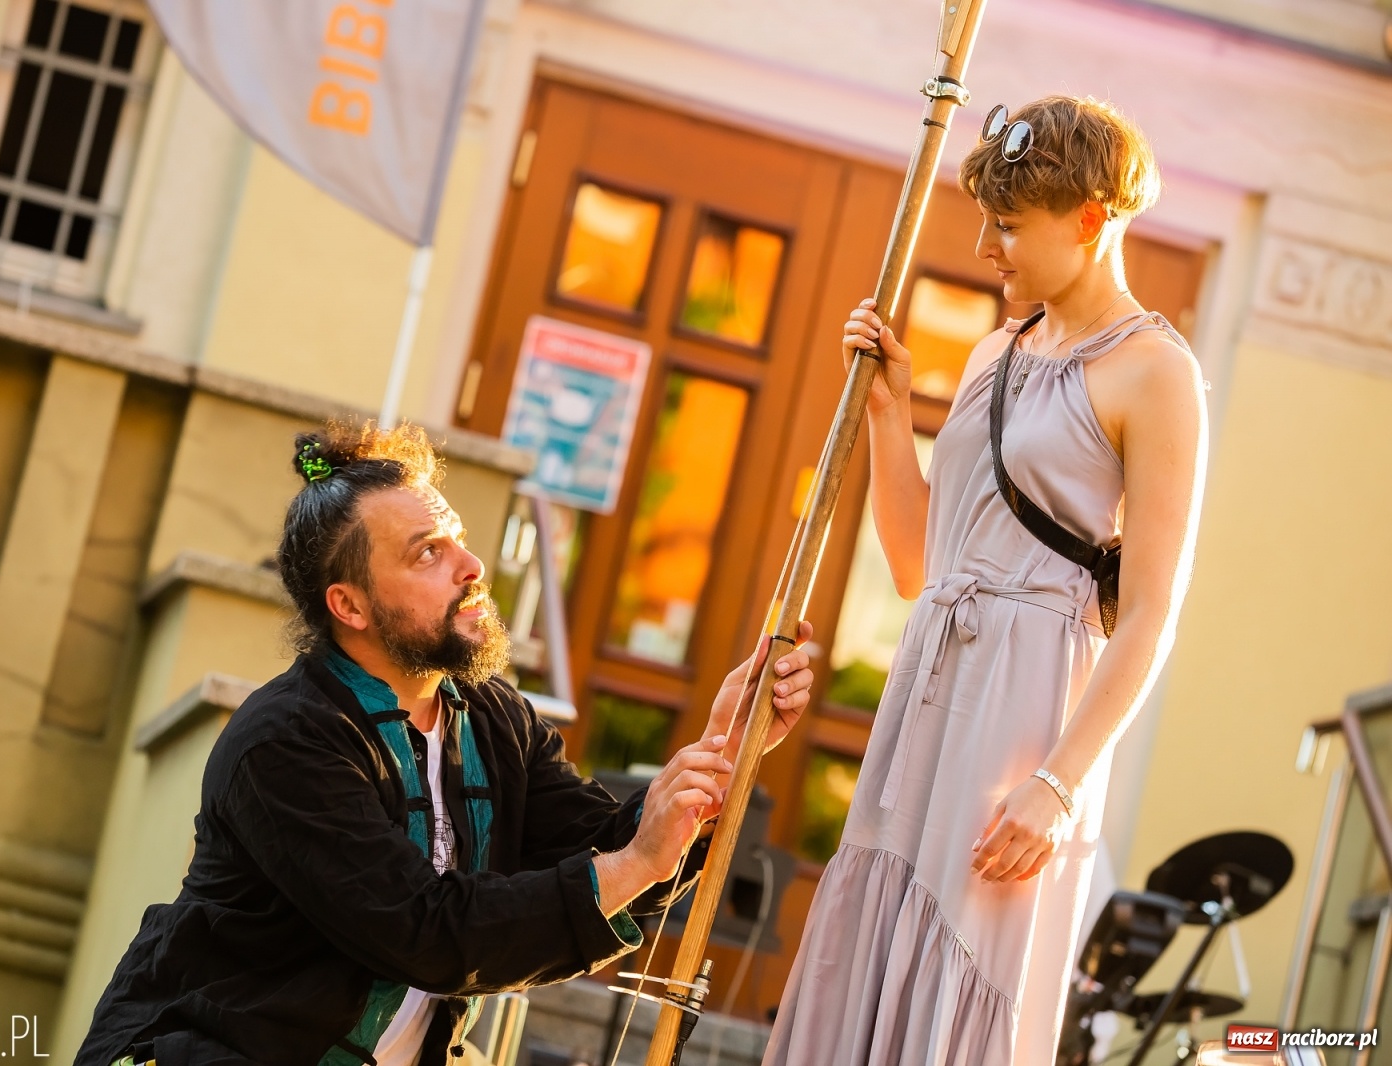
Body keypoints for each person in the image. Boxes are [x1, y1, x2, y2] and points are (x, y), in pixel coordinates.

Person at [76, 420, 817, 1066]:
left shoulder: (495, 718)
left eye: (458, 540)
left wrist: (721, 751)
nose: (471, 568)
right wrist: (633, 862)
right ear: (350, 606)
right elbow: (423, 932)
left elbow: (602, 851)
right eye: (427, 553)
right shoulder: (284, 743)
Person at [763, 96, 1208, 1065]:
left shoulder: (1153, 373)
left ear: (1090, 220)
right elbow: (921, 563)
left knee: (969, 960)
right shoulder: (991, 354)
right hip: (928, 683)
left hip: (1027, 708)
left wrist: (1056, 783)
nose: (987, 246)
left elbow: (1151, 613)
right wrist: (890, 412)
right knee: (873, 947)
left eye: (1009, 225)